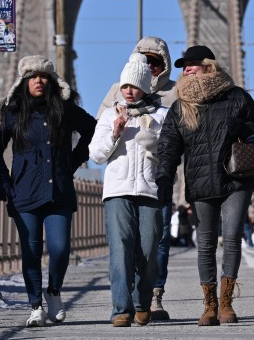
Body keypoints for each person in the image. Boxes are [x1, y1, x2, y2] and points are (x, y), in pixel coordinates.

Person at [0, 55, 97, 328]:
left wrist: (72, 161)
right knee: (31, 252)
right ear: (24, 82)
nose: (38, 81)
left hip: (58, 190)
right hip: (25, 192)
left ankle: (53, 291)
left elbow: (92, 128)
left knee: (59, 249)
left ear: (51, 81)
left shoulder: (65, 109)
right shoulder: (11, 111)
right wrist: (4, 182)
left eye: (43, 76)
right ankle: (35, 306)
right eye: (32, 76)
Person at [156, 45, 254, 326]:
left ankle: (226, 303)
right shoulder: (181, 105)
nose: (186, 70)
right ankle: (209, 305)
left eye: (192, 64)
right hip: (201, 181)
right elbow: (168, 146)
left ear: (208, 65)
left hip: (235, 179)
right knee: (205, 244)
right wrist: (164, 178)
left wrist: (243, 129)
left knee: (230, 238)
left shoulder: (235, 95)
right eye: (183, 66)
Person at [97, 36, 178, 322]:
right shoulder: (112, 106)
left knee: (150, 247)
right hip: (119, 188)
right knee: (121, 247)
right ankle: (122, 308)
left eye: (155, 61)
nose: (149, 65)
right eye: (144, 59)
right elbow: (97, 150)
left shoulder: (170, 103)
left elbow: (176, 145)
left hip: (153, 187)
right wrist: (115, 130)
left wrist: (153, 142)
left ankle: (147, 300)